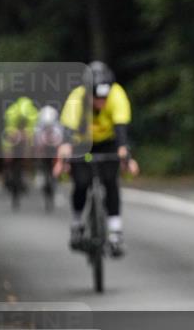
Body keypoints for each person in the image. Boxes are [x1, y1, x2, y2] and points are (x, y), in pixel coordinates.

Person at [54, 61, 139, 257]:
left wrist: (126, 155)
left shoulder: (117, 95)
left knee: (110, 182)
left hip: (108, 141)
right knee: (81, 183)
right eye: (96, 97)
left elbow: (121, 129)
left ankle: (115, 232)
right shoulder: (77, 98)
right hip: (82, 142)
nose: (101, 101)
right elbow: (68, 131)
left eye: (104, 97)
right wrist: (62, 158)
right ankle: (76, 225)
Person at [1, 95, 39, 201]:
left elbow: (32, 134)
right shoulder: (12, 113)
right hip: (12, 131)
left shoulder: (33, 114)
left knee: (29, 151)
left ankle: (24, 176)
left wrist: (29, 151)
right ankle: (7, 173)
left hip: (26, 135)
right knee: (8, 154)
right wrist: (7, 151)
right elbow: (8, 134)